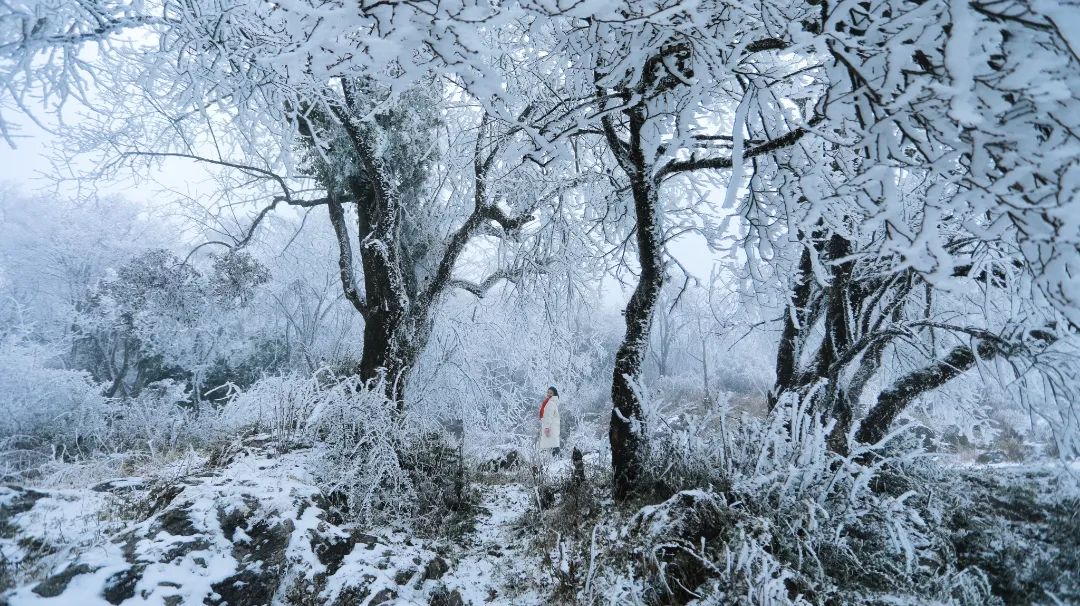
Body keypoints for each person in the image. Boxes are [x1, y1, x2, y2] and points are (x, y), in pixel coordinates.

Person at [537, 386, 561, 457]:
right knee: (553, 444)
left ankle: (556, 461)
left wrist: (547, 427)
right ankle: (556, 460)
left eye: (551, 393)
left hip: (550, 427)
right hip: (553, 426)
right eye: (548, 392)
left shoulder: (550, 403)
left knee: (552, 445)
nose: (548, 394)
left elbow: (548, 416)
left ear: (554, 394)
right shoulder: (551, 402)